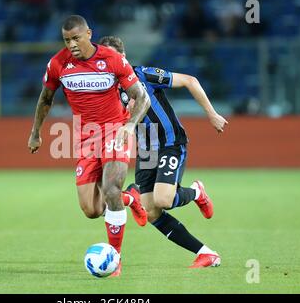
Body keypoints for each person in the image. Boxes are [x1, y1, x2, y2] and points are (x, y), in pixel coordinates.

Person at [28, 15, 151, 276]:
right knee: (91, 210)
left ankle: (115, 258)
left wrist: (129, 126)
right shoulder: (58, 64)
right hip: (85, 139)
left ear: (88, 34)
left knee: (110, 189)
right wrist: (35, 132)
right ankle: (130, 198)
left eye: (75, 38)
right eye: (66, 39)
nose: (71, 44)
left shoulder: (113, 59)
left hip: (115, 131)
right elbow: (46, 97)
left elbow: (141, 97)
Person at [98, 36, 228, 268]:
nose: (106, 63)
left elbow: (190, 80)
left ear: (122, 58)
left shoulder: (143, 75)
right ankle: (206, 253)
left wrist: (211, 113)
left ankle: (197, 193)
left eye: (110, 57)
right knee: (151, 212)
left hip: (170, 142)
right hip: (146, 151)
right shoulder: (107, 91)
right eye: (103, 58)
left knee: (164, 199)